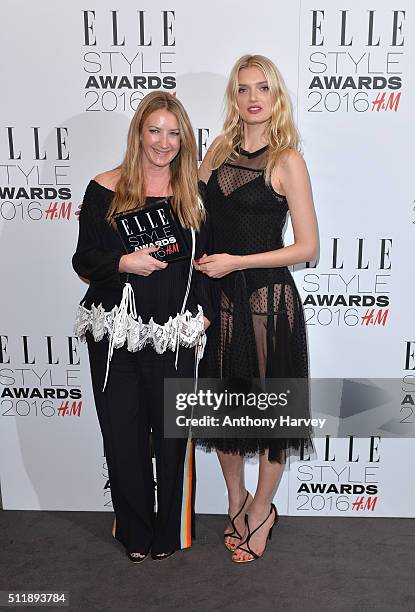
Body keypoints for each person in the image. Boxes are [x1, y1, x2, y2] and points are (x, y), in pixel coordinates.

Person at [72, 91, 217, 562]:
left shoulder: (195, 194)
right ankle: (135, 532)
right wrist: (123, 262)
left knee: (174, 436)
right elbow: (84, 259)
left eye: (174, 133)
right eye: (155, 130)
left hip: (175, 335)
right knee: (123, 433)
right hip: (115, 333)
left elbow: (206, 262)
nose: (164, 142)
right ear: (138, 132)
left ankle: (168, 533)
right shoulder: (104, 187)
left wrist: (206, 312)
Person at [196, 54, 318, 563]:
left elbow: (307, 247)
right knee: (224, 412)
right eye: (243, 89)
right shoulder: (218, 150)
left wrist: (238, 261)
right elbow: (192, 210)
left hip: (267, 301)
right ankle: (235, 500)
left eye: (262, 88)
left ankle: (263, 508)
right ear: (234, 97)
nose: (252, 97)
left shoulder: (286, 160)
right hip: (220, 302)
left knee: (269, 416)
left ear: (276, 97)